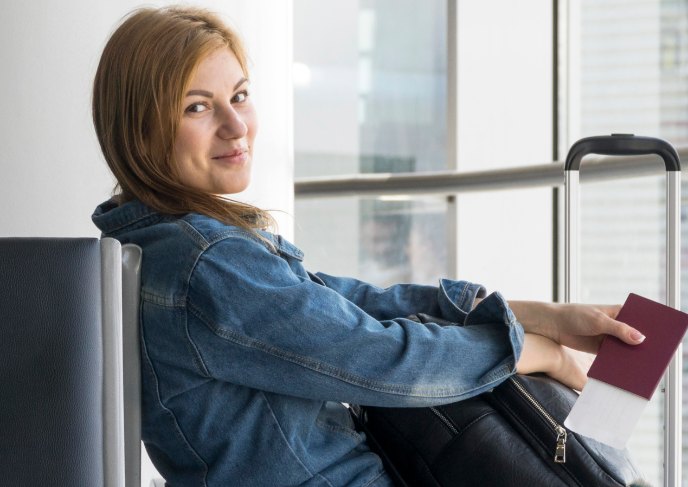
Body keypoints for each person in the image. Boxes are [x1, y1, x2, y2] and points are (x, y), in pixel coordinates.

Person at [90, 6, 641, 486]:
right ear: (141, 130)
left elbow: (354, 306)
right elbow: (380, 359)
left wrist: (542, 317)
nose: (237, 126)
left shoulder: (165, 243)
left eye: (239, 95)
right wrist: (529, 349)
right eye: (198, 107)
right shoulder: (205, 265)